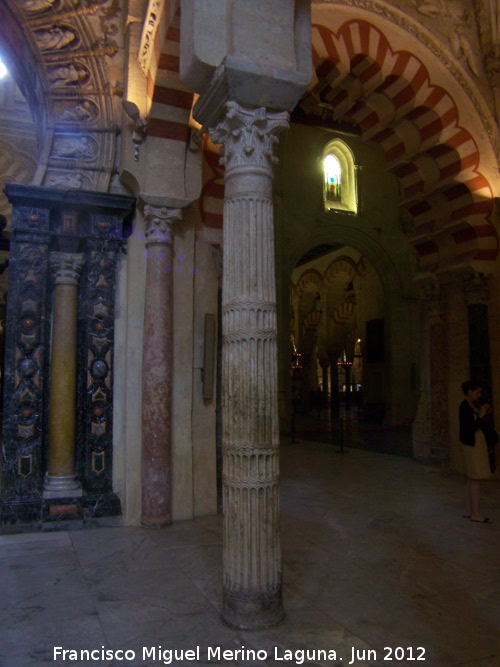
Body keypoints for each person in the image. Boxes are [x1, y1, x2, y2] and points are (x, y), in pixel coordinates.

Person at [459, 380, 493, 523]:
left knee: (472, 478)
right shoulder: (464, 407)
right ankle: (475, 513)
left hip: (477, 443)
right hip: (471, 444)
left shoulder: (472, 405)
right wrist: (480, 415)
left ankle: (468, 510)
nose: (479, 395)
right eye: (477, 392)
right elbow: (470, 428)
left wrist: (483, 412)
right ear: (469, 391)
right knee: (475, 477)